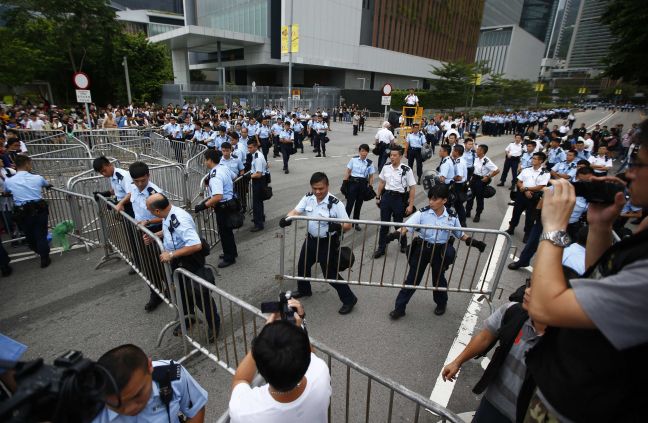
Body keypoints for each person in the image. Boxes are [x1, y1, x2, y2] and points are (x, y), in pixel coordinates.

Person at [523, 160, 648, 421]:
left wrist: (554, 227)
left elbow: (543, 306)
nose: (629, 173)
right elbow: (602, 280)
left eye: (641, 164)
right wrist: (600, 226)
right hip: (565, 392)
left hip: (591, 405)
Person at [441, 281, 544, 423]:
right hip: (491, 403)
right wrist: (457, 362)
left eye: (537, 289)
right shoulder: (512, 311)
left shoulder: (566, 342)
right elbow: (484, 337)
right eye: (529, 284)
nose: (527, 291)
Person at [387, 185, 486, 318]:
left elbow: (460, 234)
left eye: (434, 199)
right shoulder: (422, 213)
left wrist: (474, 242)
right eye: (430, 199)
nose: (430, 202)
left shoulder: (451, 216)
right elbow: (406, 227)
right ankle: (399, 308)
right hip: (422, 249)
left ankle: (441, 303)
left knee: (439, 280)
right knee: (412, 279)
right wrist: (395, 235)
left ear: (444, 200)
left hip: (440, 252)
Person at [229, 301, 331, 422]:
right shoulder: (320, 373)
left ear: (260, 369)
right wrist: (299, 326)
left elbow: (240, 379)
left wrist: (263, 339)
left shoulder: (244, 412)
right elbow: (310, 354)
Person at [279, 172, 358, 314]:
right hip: (310, 240)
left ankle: (349, 299)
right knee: (302, 266)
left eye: (321, 188)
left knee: (330, 274)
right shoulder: (308, 198)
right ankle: (304, 290)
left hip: (327, 243)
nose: (318, 191)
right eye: (315, 188)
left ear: (327, 186)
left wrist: (338, 227)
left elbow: (348, 225)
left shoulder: (335, 204)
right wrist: (287, 218)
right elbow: (296, 211)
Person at [145, 194, 220, 339]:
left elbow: (195, 245)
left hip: (190, 260)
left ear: (158, 211)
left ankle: (214, 324)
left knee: (199, 295)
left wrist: (171, 255)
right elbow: (170, 231)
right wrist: (157, 235)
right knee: (182, 294)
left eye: (149, 209)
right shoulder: (168, 214)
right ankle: (188, 319)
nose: (148, 211)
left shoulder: (180, 218)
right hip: (179, 259)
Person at [92, 344, 207, 423]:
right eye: (116, 405)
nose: (129, 409)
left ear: (150, 367)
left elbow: (196, 408)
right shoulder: (90, 409)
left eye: (137, 396)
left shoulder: (172, 376)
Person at [115, 161, 165, 311]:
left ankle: (170, 289)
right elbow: (130, 195)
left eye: (143, 180)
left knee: (161, 264)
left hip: (156, 231)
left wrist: (149, 221)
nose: (140, 184)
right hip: (141, 230)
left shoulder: (155, 193)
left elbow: (165, 215)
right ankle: (155, 293)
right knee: (147, 265)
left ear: (148, 176)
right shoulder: (133, 187)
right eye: (136, 181)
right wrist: (121, 203)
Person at [4, 155, 51, 268]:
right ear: (26, 164)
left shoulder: (9, 181)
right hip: (39, 209)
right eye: (30, 164)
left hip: (23, 212)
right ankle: (44, 257)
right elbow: (46, 184)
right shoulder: (37, 178)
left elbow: (6, 191)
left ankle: (39, 251)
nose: (31, 166)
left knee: (29, 235)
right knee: (41, 235)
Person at [194, 149, 237, 268]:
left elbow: (218, 196)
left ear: (210, 160)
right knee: (228, 232)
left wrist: (203, 206)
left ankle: (230, 257)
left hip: (223, 206)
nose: (204, 162)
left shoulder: (215, 175)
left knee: (225, 233)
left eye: (205, 160)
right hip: (230, 203)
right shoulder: (223, 168)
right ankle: (232, 252)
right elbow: (234, 176)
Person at [373, 147, 416, 258]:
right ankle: (381, 248)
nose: (392, 157)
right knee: (384, 225)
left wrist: (410, 205)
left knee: (398, 224)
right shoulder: (386, 167)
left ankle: (403, 244)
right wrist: (378, 197)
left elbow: (412, 188)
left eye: (395, 155)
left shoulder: (406, 170)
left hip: (399, 199)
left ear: (400, 156)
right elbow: (382, 182)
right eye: (391, 155)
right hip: (386, 197)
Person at [506, 153, 550, 241]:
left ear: (540, 161)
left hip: (533, 197)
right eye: (532, 158)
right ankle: (511, 228)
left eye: (535, 159)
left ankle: (527, 234)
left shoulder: (545, 173)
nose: (532, 160)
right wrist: (526, 190)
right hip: (521, 195)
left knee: (530, 217)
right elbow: (519, 181)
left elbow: (540, 186)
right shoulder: (526, 170)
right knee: (516, 212)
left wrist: (526, 188)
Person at [342, 144, 375, 230]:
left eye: (365, 151)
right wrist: (344, 182)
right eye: (362, 151)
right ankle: (345, 222)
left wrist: (370, 186)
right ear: (359, 151)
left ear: (368, 152)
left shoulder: (370, 163)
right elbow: (348, 172)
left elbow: (371, 176)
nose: (364, 153)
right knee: (349, 204)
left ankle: (355, 223)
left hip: (363, 185)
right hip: (353, 183)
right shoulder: (353, 160)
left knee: (359, 204)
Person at [466, 145, 500, 223]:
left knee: (479, 198)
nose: (476, 151)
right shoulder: (476, 158)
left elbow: (497, 170)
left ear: (482, 151)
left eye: (478, 150)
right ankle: (468, 211)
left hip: (480, 181)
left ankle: (478, 214)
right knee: (470, 196)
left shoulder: (486, 161)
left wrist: (488, 176)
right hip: (473, 179)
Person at [248, 139, 268, 232]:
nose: (249, 149)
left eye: (251, 147)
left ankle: (258, 224)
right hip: (259, 180)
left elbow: (258, 174)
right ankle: (260, 218)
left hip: (259, 181)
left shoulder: (258, 157)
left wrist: (248, 177)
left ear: (256, 147)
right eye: (248, 147)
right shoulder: (256, 154)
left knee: (257, 203)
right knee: (258, 202)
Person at [451, 144, 468, 227]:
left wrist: (450, 177)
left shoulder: (459, 162)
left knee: (458, 204)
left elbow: (459, 177)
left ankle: (462, 222)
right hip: (460, 185)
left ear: (457, 152)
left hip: (458, 186)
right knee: (458, 205)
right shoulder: (460, 160)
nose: (452, 152)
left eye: (453, 150)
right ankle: (461, 222)